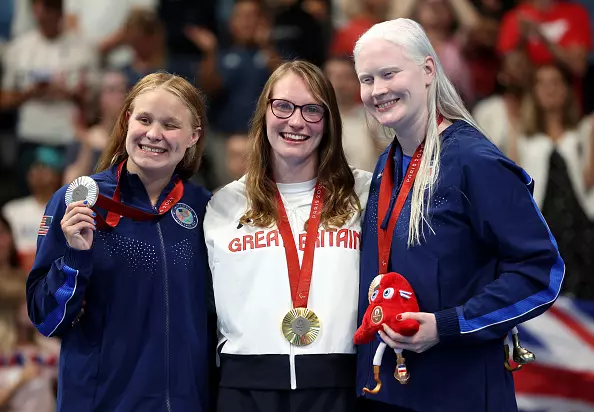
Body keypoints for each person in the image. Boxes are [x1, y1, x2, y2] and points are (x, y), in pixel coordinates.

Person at [353, 19, 563, 412]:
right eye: (367, 79)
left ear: (429, 70)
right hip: (386, 389)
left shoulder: (474, 161)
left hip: (458, 390)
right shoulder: (388, 163)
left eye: (389, 73)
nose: (377, 90)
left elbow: (542, 271)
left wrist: (451, 324)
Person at [26, 72, 215, 411]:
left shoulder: (204, 208)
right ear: (127, 120)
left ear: (193, 136)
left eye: (171, 125)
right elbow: (47, 319)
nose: (154, 134)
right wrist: (73, 259)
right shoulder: (79, 200)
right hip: (102, 402)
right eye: (144, 119)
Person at [204, 60, 372, 412]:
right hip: (244, 392)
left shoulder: (366, 194)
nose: (296, 121)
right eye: (283, 106)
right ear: (264, 112)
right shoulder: (223, 205)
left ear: (329, 121)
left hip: (339, 389)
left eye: (312, 110)